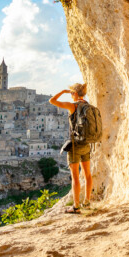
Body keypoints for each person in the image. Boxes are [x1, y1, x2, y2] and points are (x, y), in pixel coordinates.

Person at [49, 83, 93, 214]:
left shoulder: (72, 106)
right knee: (88, 174)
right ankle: (87, 202)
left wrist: (63, 91)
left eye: (72, 93)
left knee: (75, 177)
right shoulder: (88, 106)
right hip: (86, 144)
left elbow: (51, 101)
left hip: (75, 146)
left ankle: (76, 206)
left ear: (74, 93)